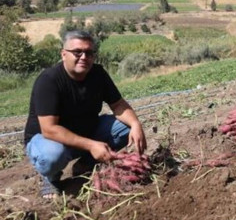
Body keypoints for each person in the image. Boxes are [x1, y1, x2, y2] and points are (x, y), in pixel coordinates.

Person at [24, 30, 147, 197]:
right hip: (49, 140)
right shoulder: (49, 80)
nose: (84, 57)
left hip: (86, 132)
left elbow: (118, 104)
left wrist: (135, 124)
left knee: (126, 127)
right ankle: (51, 178)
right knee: (53, 155)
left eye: (89, 53)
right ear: (63, 54)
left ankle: (85, 164)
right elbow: (49, 129)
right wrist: (91, 145)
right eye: (77, 52)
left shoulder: (98, 74)